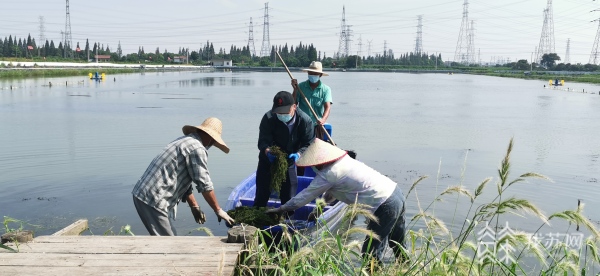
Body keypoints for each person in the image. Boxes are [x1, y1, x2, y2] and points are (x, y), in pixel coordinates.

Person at [267, 138, 406, 264]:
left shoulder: (329, 174)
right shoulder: (344, 161)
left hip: (384, 205)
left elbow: (303, 198)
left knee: (370, 254)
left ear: (318, 163)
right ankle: (406, 267)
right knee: (397, 241)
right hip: (395, 192)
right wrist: (318, 210)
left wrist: (281, 209)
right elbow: (332, 194)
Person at [132, 117, 235, 236]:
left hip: (145, 194)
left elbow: (182, 178)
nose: (211, 145)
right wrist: (218, 210)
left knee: (168, 238)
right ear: (210, 137)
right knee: (168, 244)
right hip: (153, 198)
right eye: (213, 141)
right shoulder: (197, 148)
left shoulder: (185, 141)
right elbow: (204, 184)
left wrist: (194, 206)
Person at [255, 91, 315, 207]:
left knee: (288, 196)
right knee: (261, 195)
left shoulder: (305, 121)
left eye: (285, 111)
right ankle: (258, 218)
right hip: (268, 160)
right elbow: (262, 141)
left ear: (294, 106)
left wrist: (299, 153)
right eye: (278, 112)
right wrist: (267, 151)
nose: (281, 114)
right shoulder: (268, 118)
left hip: (289, 160)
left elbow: (309, 143)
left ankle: (287, 221)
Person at [291, 61, 332, 140]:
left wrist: (323, 120)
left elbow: (327, 107)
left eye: (315, 74)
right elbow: (293, 104)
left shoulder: (326, 89)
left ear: (320, 75)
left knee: (316, 148)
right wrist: (295, 90)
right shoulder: (301, 87)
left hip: (317, 125)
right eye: (310, 73)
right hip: (302, 124)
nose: (312, 75)